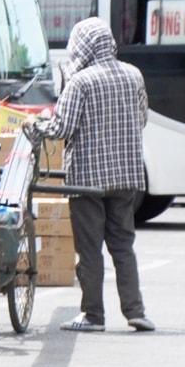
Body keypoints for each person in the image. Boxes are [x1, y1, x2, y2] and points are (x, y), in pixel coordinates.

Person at [29, 17, 153, 333]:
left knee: (89, 250)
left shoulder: (80, 82)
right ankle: (135, 310)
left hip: (87, 179)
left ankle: (93, 315)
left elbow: (62, 128)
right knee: (123, 246)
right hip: (126, 177)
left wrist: (34, 126)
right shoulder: (134, 75)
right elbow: (141, 119)